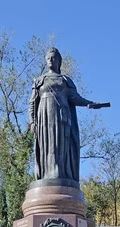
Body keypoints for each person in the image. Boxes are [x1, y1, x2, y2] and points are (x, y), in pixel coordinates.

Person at [29, 47, 99, 183]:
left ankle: (60, 175)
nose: (50, 59)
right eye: (48, 58)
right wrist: (32, 122)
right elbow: (32, 103)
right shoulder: (39, 80)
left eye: (53, 57)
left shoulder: (65, 80)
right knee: (46, 146)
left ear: (59, 61)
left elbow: (75, 98)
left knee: (60, 146)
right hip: (44, 118)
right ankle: (46, 175)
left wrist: (89, 103)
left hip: (61, 117)